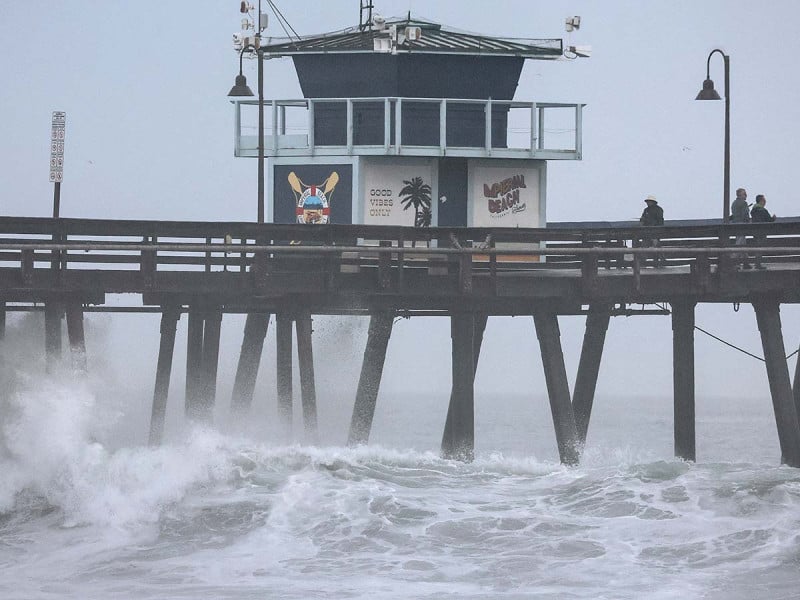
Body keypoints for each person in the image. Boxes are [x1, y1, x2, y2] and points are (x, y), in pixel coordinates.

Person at [750, 194, 776, 269]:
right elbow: (769, 220)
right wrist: (773, 218)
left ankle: (757, 263)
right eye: (764, 200)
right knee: (760, 247)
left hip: (755, 231)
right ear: (761, 201)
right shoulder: (762, 210)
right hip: (762, 231)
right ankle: (758, 264)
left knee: (757, 247)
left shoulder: (753, 210)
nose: (765, 202)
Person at [639, 194, 664, 267]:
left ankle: (658, 263)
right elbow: (642, 219)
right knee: (644, 247)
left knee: (656, 247)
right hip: (647, 233)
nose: (648, 203)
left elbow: (660, 221)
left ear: (653, 202)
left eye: (649, 201)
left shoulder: (658, 209)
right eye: (647, 201)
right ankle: (643, 264)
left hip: (655, 233)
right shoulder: (646, 210)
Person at [730, 187, 751, 269]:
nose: (746, 195)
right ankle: (732, 262)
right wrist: (749, 222)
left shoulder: (734, 203)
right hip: (742, 225)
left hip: (735, 224)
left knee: (742, 243)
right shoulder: (744, 203)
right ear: (740, 195)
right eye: (744, 194)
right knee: (739, 243)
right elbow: (745, 215)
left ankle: (746, 263)